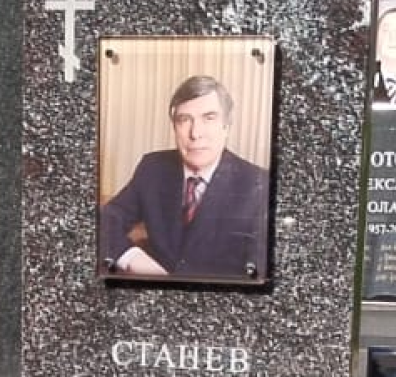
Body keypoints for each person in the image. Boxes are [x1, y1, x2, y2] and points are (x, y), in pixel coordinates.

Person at [99, 75, 269, 281]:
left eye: (209, 118)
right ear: (174, 127)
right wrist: (132, 258)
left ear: (226, 126)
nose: (195, 133)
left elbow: (258, 273)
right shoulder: (153, 168)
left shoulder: (258, 184)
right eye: (184, 120)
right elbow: (105, 220)